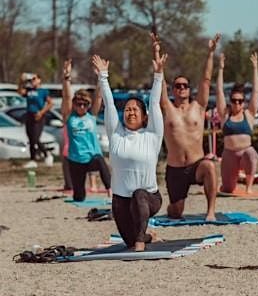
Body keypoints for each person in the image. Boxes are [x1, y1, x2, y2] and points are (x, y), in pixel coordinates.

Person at [93, 49, 165, 252]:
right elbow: (108, 103)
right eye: (127, 109)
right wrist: (103, 76)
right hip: (121, 200)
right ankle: (146, 237)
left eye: (135, 109)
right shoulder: (116, 134)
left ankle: (142, 240)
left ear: (144, 117)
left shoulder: (152, 135)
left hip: (149, 198)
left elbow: (155, 103)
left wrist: (158, 75)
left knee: (139, 195)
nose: (130, 111)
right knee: (128, 242)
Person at [155, 32, 218, 221]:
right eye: (178, 86)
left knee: (210, 167)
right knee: (176, 213)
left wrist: (210, 53)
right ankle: (173, 207)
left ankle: (211, 212)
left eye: (185, 86)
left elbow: (206, 80)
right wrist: (157, 55)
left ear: (190, 89)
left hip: (196, 164)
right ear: (173, 89)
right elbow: (160, 83)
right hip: (175, 168)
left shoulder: (198, 107)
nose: (182, 88)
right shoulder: (167, 108)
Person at [61, 59, 111, 201]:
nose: (82, 107)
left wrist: (101, 76)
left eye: (85, 104)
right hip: (75, 160)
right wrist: (66, 78)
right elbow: (66, 96)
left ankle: (110, 190)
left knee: (101, 161)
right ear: (75, 104)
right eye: (79, 104)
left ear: (88, 105)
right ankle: (80, 194)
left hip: (91, 158)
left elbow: (99, 96)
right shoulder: (70, 117)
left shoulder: (91, 116)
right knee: (79, 197)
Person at [216, 51, 258, 194]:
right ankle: (231, 181)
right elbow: (219, 92)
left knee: (251, 153)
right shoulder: (225, 115)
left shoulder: (249, 114)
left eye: (240, 101)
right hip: (229, 153)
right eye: (234, 101)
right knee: (228, 189)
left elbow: (256, 92)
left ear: (243, 103)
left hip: (245, 152)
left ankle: (249, 186)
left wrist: (255, 68)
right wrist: (221, 69)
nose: (237, 103)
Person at [17, 71, 53, 168]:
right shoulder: (29, 90)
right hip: (29, 115)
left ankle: (47, 154)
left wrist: (41, 112)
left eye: (35, 79)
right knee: (31, 138)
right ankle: (32, 160)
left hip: (38, 116)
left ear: (39, 80)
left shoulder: (43, 91)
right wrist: (21, 81)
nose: (33, 81)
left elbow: (50, 103)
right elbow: (20, 92)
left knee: (36, 138)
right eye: (32, 79)